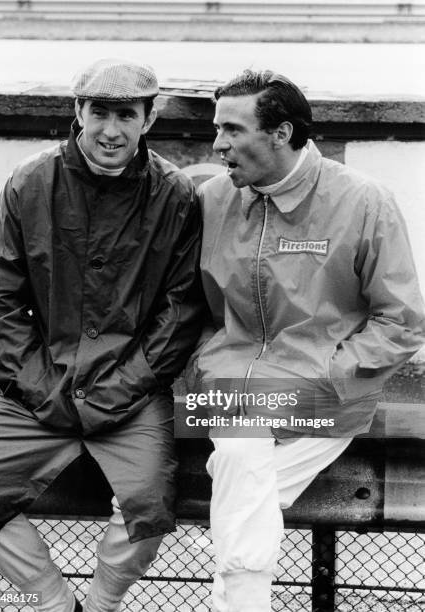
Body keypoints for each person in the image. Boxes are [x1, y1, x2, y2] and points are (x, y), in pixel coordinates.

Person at [0, 58, 203, 612]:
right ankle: (55, 603)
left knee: (149, 506)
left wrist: (123, 387)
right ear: (77, 111)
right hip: (37, 388)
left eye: (127, 114)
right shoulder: (29, 182)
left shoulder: (175, 196)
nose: (110, 130)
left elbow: (181, 311)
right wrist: (37, 385)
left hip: (131, 392)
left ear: (148, 119)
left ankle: (99, 605)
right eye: (99, 111)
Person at [193, 69, 425, 612]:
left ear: (282, 132)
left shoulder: (364, 200)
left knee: (239, 467)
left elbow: (403, 321)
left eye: (232, 129)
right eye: (216, 128)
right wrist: (204, 366)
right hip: (227, 386)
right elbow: (188, 306)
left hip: (329, 388)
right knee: (245, 461)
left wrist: (330, 376)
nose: (217, 144)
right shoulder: (211, 199)